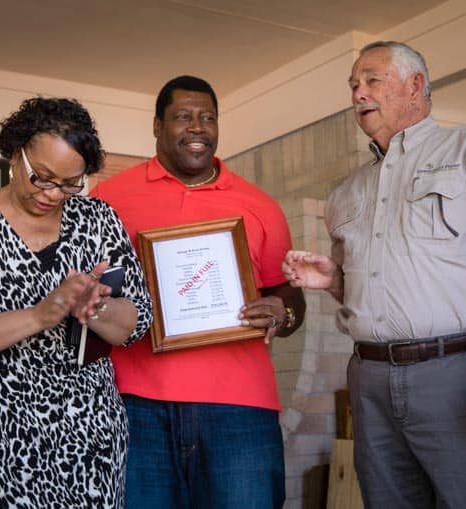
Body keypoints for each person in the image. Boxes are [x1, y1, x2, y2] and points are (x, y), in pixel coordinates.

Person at [282, 41, 466, 508]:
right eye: (353, 85)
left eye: (372, 80)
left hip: (460, 373)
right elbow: (377, 294)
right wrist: (332, 281)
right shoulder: (347, 192)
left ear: (415, 86)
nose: (358, 94)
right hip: (369, 379)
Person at [0, 97, 152, 508]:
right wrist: (40, 314)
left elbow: (138, 321)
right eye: (41, 177)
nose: (53, 194)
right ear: (15, 154)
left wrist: (95, 308)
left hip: (89, 434)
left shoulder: (98, 220)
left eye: (69, 183)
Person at [91, 75, 306, 508]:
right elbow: (89, 294)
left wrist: (283, 314)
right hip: (135, 403)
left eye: (208, 117)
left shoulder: (259, 205)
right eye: (183, 117)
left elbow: (290, 296)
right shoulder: (108, 199)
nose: (197, 128)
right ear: (156, 126)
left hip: (239, 406)